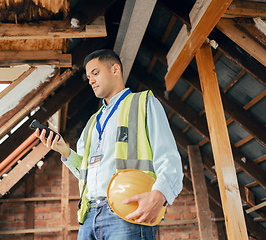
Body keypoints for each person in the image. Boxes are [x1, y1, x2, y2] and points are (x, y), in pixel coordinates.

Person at [35, 49, 183, 239]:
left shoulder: (143, 103)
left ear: (115, 69)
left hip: (128, 212)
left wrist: (160, 195)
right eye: (89, 78)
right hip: (89, 218)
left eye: (95, 73)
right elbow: (86, 174)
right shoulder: (92, 123)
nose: (91, 81)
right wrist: (64, 150)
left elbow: (169, 157)